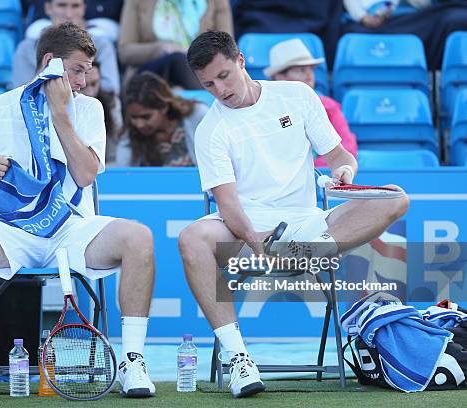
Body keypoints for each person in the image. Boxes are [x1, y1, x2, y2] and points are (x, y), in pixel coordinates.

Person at [179, 30, 409, 398]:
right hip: (248, 229)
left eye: (224, 76)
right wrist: (258, 245)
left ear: (241, 61)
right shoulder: (210, 130)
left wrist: (344, 173)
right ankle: (238, 359)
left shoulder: (297, 95)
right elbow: (229, 207)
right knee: (191, 238)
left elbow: (340, 157)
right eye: (208, 84)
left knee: (395, 198)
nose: (219, 90)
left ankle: (314, 249)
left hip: (308, 224)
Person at [0, 23, 156, 401]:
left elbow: (86, 174)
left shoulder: (88, 109)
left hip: (72, 228)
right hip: (9, 230)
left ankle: (132, 361)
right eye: (77, 69)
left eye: (89, 69)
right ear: (49, 63)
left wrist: (61, 116)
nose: (85, 79)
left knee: (139, 237)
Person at [265, 38, 357, 168]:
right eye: (301, 70)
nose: (309, 75)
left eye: (311, 69)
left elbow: (348, 149)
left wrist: (303, 169)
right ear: (280, 77)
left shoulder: (328, 107)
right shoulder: (266, 111)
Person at [12, 0, 120, 97]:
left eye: (75, 6)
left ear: (84, 9)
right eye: (62, 5)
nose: (68, 14)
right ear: (48, 8)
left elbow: (111, 89)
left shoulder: (102, 45)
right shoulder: (26, 49)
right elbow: (20, 92)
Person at [118, 0, 233, 89]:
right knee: (177, 60)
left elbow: (226, 47)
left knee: (184, 65)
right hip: (151, 73)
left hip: (199, 69)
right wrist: (162, 48)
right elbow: (125, 51)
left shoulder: (216, 2)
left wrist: (194, 53)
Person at [342, 0, 467, 70]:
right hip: (364, 20)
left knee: (453, 19)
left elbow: (423, 4)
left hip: (406, 17)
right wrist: (362, 17)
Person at [116, 72, 207, 166]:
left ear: (164, 107)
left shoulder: (197, 115)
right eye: (133, 117)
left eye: (146, 117)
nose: (139, 124)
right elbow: (124, 171)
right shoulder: (130, 133)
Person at [81, 60, 122, 164]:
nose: (90, 92)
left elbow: (113, 153)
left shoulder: (112, 104)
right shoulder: (61, 106)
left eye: (94, 84)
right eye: (84, 86)